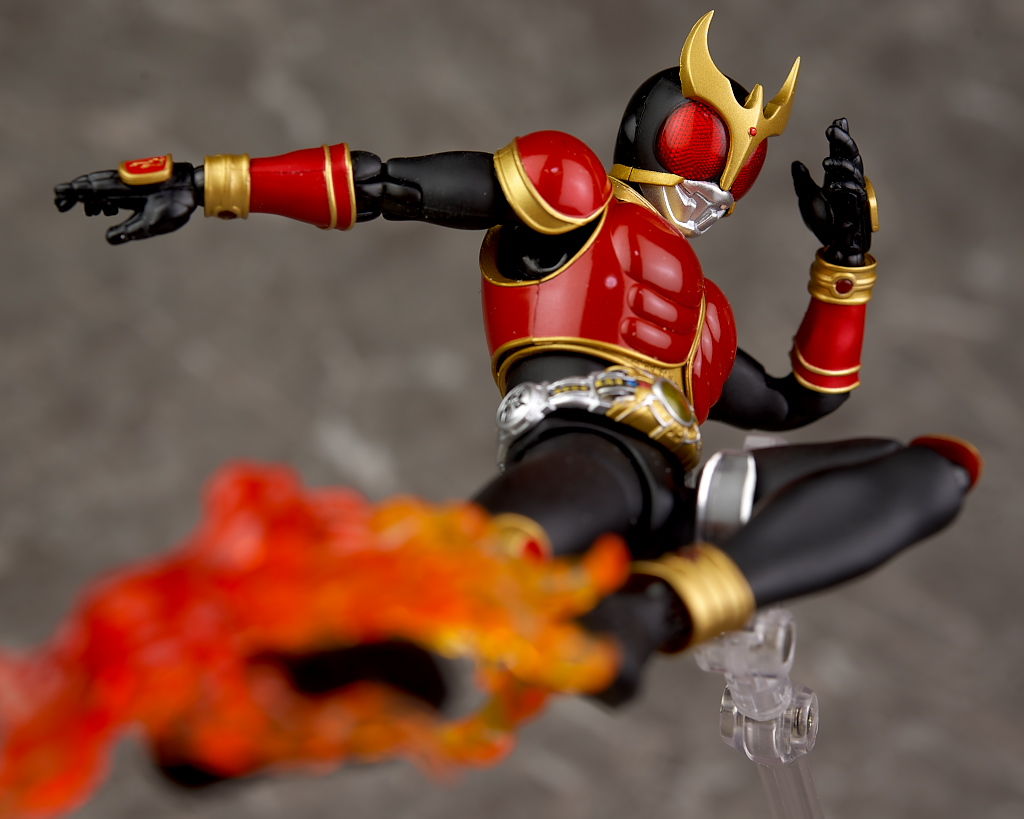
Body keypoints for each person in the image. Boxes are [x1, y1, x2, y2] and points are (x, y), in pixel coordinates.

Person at [54, 12, 979, 707]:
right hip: (587, 444)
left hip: (681, 495)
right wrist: (212, 182)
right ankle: (370, 642)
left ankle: (649, 612)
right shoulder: (570, 193)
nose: (724, 173)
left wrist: (845, 263)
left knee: (934, 469)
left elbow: (793, 401)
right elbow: (388, 184)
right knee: (499, 548)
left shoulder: (707, 314)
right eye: (714, 141)